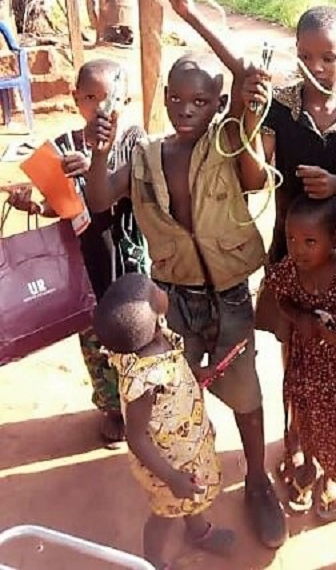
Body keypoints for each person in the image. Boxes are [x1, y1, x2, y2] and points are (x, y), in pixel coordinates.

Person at [156, 0, 336, 482]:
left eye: (328, 57)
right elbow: (254, 164)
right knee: (295, 350)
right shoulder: (281, 108)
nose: (315, 67)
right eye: (305, 56)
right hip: (292, 252)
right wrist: (190, 15)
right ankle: (297, 438)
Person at [83, 51, 288, 550]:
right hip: (171, 303)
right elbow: (99, 199)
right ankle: (188, 505)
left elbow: (255, 166)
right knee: (173, 400)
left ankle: (257, 480)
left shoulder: (230, 143)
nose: (185, 109)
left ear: (219, 103)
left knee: (246, 395)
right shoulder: (146, 155)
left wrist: (192, 16)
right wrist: (99, 153)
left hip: (230, 296)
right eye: (175, 98)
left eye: (199, 101)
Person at [8, 58, 147, 447]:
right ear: (75, 99)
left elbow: (136, 190)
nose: (100, 107)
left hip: (129, 258)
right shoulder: (61, 147)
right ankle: (113, 408)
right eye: (90, 97)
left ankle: (142, 405)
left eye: (108, 98)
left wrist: (94, 167)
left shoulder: (135, 141)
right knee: (94, 337)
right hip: (84, 263)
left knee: (139, 330)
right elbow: (59, 206)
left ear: (125, 99)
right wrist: (33, 206)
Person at [93, 273, 234, 570]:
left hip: (186, 446)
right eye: (155, 290)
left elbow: (176, 367)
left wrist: (196, 374)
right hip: (168, 464)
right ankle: (153, 561)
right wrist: (171, 477)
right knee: (165, 513)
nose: (159, 288)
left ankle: (197, 531)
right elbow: (136, 437)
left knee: (189, 494)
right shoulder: (145, 382)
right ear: (157, 320)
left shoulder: (157, 340)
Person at [263, 195, 336, 518]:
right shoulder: (290, 270)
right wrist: (297, 316)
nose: (298, 249)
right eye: (291, 239)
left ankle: (329, 479)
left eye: (310, 241)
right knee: (308, 417)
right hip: (307, 365)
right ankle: (309, 465)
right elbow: (281, 296)